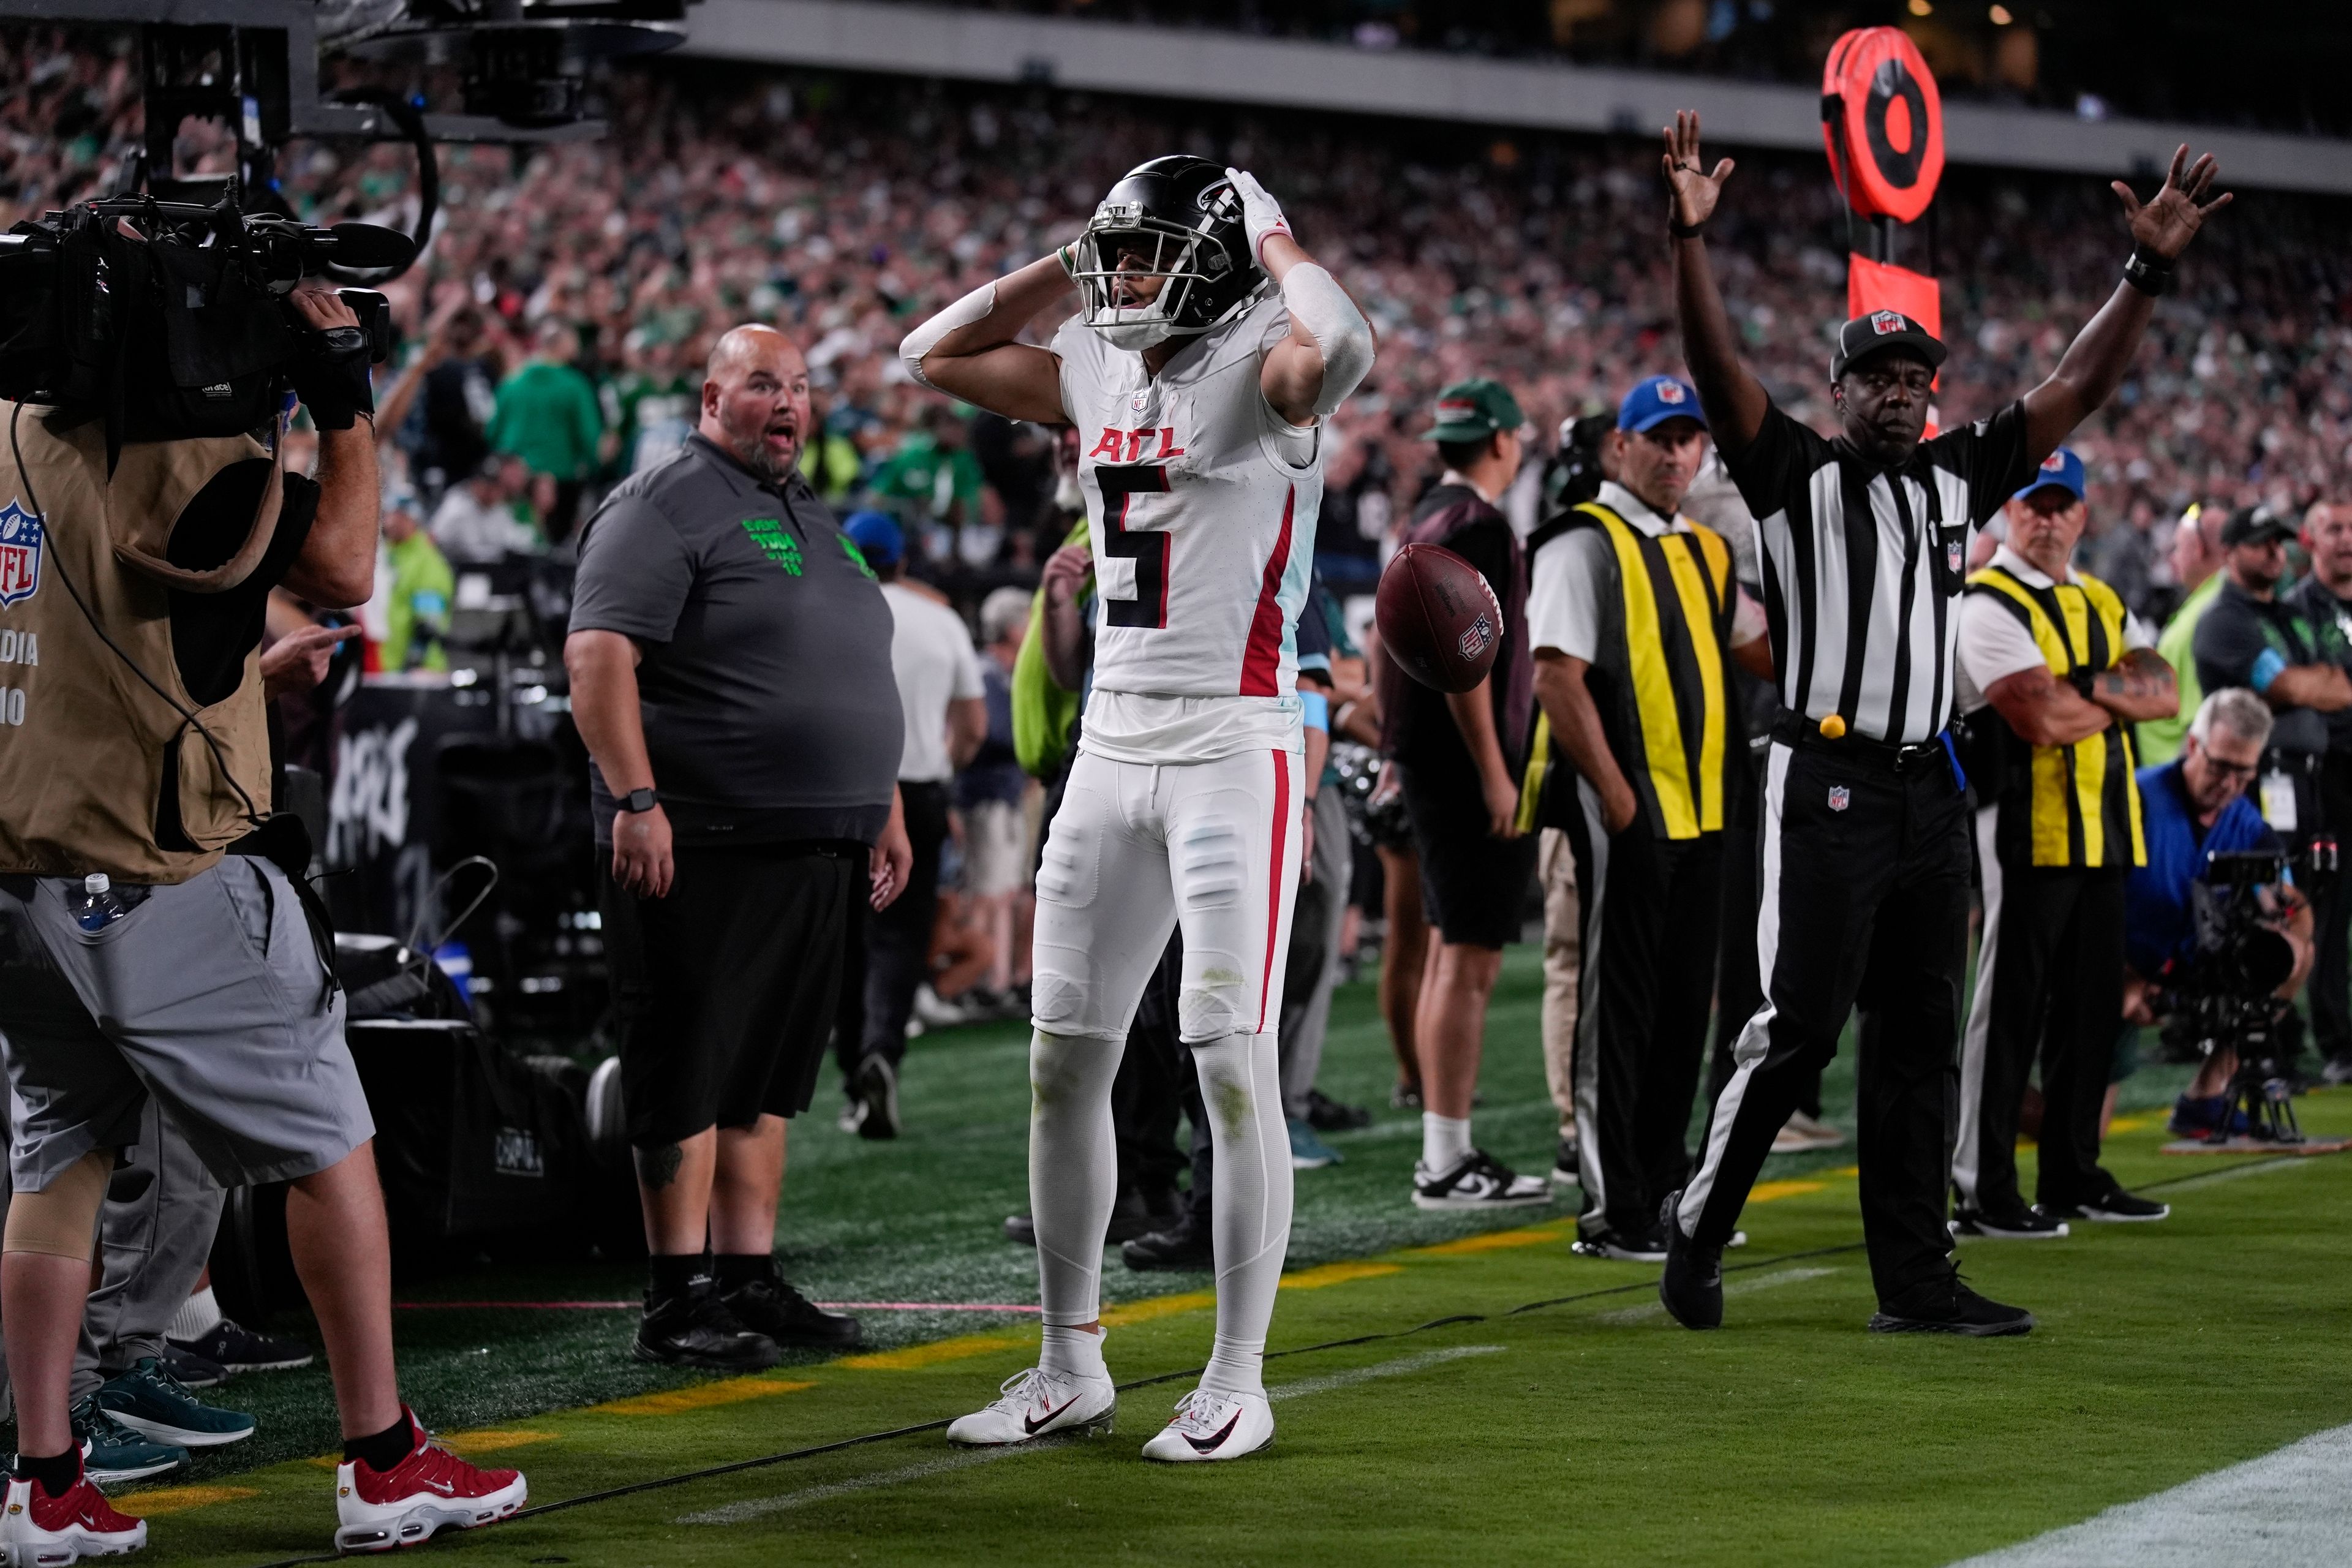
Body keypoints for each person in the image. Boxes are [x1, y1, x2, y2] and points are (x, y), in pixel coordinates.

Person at [1659, 111, 2230, 1336]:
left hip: (1930, 791)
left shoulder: (1955, 472)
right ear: (1838, 387)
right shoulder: (1793, 470)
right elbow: (1717, 376)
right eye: (1881, 378)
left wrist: (2146, 271)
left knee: (1919, 1043)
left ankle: (1915, 1283)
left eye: (1921, 379)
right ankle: (1699, 1220)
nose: (1905, 395)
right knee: (1800, 1028)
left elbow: (2074, 388)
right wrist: (1689, 242)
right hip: (1825, 782)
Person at [0, 284, 526, 1561]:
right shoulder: (186, 442)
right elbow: (345, 560)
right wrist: (342, 390)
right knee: (330, 1137)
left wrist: (232, 670)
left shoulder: (9, 421)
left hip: (23, 863)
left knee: (55, 1164)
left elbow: (96, 612)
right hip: (157, 862)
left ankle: (41, 1478)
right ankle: (384, 1458)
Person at [901, 154, 1373, 1461]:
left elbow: (1348, 340)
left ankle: (1237, 1373)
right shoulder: (1094, 363)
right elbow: (928, 348)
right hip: (1110, 746)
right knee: (1063, 1056)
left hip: (1235, 739)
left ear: (1218, 259)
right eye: (1119, 256)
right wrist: (1074, 253)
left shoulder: (1272, 366)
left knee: (1229, 1054)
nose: (1124, 280)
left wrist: (1274, 239)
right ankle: (1069, 1359)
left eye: (1149, 255)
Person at [565, 323, 912, 1371]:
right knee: (686, 1069)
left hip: (817, 840)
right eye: (765, 384)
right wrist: (636, 799)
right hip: (699, 836)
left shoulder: (806, 511)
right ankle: (679, 1298)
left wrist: (880, 799)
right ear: (710, 394)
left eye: (801, 387)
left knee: (766, 1078)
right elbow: (597, 658)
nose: (789, 404)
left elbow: (847, 668)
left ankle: (750, 1277)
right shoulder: (661, 502)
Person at [1526, 375, 1771, 1259]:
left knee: (1681, 1012)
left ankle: (1668, 1188)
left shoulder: (1706, 549)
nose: (1676, 454)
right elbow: (1554, 674)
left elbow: (1755, 647)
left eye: (1689, 439)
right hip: (1635, 812)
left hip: (1707, 810)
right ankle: (1612, 1207)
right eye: (1657, 438)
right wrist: (1620, 801)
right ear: (1617, 448)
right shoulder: (1581, 542)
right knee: (1619, 1014)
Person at [1951, 448, 2177, 1240]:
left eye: (2061, 504)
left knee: (2091, 1012)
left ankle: (2072, 1172)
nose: (2047, 518)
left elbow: (2167, 691)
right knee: (2007, 1010)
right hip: (2023, 827)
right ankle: (1982, 1185)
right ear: (2009, 511)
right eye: (2032, 503)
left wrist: (2078, 691)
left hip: (2106, 829)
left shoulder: (2105, 599)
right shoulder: (1985, 601)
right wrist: (2111, 692)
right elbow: (2036, 720)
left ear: (2082, 513)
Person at [1379, 378, 1548, 1212]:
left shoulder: (1427, 517)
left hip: (1423, 757)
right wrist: (1495, 768)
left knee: (1451, 951)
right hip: (1459, 762)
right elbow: (1465, 657)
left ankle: (1445, 1150)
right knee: (1469, 959)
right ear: (1504, 440)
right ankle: (1445, 1157)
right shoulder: (1478, 524)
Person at [836, 508, 987, 1139]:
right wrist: (941, 767)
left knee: (846, 938)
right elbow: (974, 726)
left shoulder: (834, 613)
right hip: (920, 790)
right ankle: (882, 1050)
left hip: (844, 790)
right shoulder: (940, 619)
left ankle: (854, 1076)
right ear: (902, 558)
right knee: (900, 938)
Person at [2190, 503, 2350, 1084]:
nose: (2275, 555)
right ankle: (2253, 1050)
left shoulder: (2290, 615)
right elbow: (2290, 684)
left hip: (2307, 781)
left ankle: (2280, 1040)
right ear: (2230, 552)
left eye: (2280, 545)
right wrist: (2313, 685)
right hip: (2257, 782)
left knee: (2304, 907)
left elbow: (2334, 679)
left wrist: (2316, 685)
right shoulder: (2224, 621)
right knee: (2261, 910)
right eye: (2261, 545)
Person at [2124, 692, 2315, 1137]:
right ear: (2194, 746)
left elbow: (2293, 908)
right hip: (2115, 964)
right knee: (2075, 1134)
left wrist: (2283, 930)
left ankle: (2207, 1094)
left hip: (2196, 966)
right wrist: (2122, 973)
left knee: (2292, 954)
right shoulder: (2137, 797)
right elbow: (2086, 903)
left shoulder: (2247, 824)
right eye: (2220, 766)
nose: (2229, 783)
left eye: (2243, 771)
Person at [2285, 499, 2352, 1084]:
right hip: (2328, 777)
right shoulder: (2295, 611)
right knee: (2329, 910)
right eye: (2335, 528)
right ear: (2310, 539)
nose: (2347, 539)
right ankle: (2336, 1040)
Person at [963, 584, 1040, 1006]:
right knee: (988, 893)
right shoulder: (986, 673)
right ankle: (980, 982)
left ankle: (1001, 979)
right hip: (985, 796)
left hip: (1005, 794)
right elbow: (993, 732)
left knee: (1006, 892)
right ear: (1011, 627)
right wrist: (1035, 740)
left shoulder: (1006, 672)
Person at [488, 317, 606, 542]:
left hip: (512, 481)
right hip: (561, 481)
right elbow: (590, 439)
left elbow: (492, 432)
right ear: (564, 344)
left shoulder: (512, 383)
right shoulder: (575, 385)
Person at [2138, 502, 2227, 766]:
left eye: (2177, 548)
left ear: (2198, 549)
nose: (2172, 559)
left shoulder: (2210, 614)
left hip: (2175, 775)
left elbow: (2201, 721)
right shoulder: (2210, 601)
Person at [375, 484, 453, 674]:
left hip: (415, 672)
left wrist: (415, 668)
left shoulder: (428, 563)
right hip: (384, 667)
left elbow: (429, 623)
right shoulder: (387, 553)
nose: (388, 521)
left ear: (410, 518)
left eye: (395, 514)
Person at [429, 454, 541, 565]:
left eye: (496, 486)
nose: (493, 491)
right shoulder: (457, 505)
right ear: (476, 483)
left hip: (486, 569)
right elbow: (433, 540)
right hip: (454, 568)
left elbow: (512, 539)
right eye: (488, 485)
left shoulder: (499, 509)